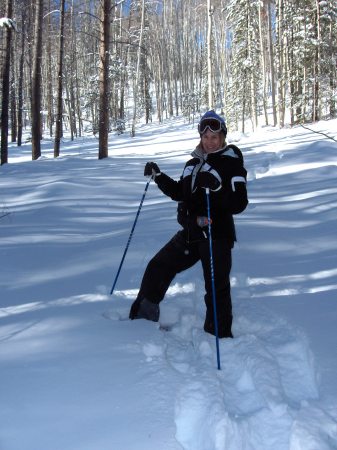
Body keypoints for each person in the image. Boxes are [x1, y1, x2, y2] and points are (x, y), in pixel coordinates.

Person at [129, 110, 248, 338]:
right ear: (200, 137)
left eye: (215, 137)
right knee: (158, 266)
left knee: (215, 287)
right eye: (206, 137)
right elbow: (180, 193)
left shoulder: (231, 164)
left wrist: (217, 188)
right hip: (192, 232)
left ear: (223, 137)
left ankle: (219, 335)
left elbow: (240, 203)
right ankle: (142, 318)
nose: (210, 141)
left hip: (217, 234)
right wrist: (159, 176)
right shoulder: (192, 163)